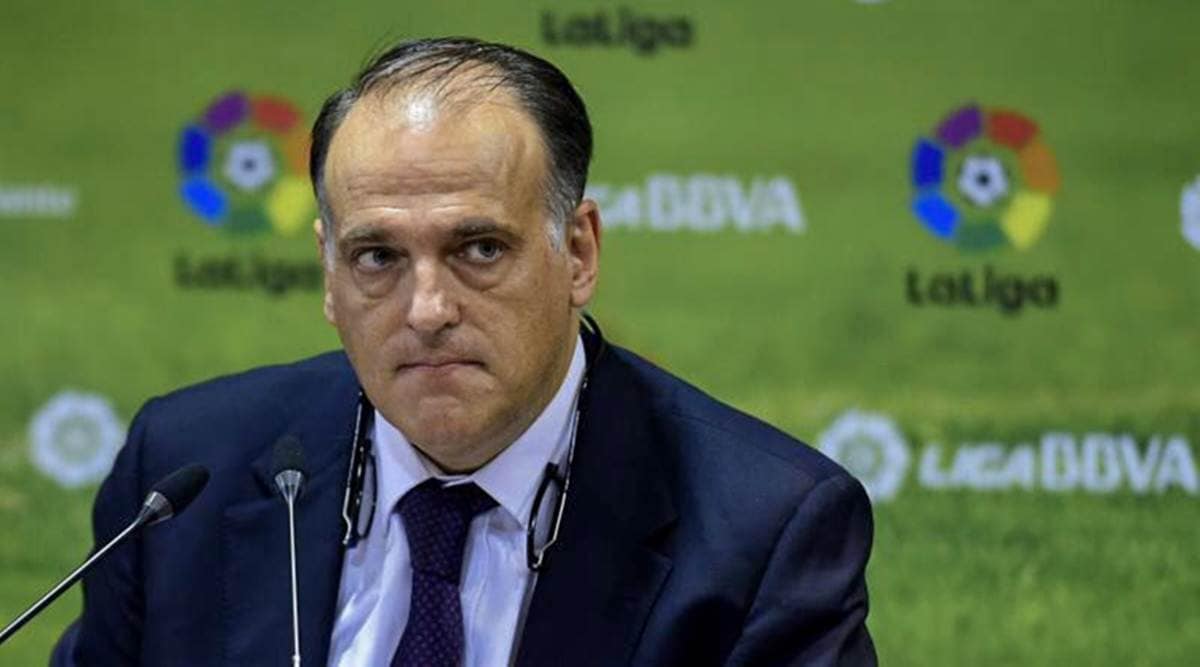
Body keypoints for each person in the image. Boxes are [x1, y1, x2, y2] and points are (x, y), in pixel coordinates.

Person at [55, 37, 876, 666]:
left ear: (578, 253)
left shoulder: (764, 533)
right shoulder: (181, 477)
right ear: (329, 274)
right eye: (378, 256)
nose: (427, 310)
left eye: (479, 249)